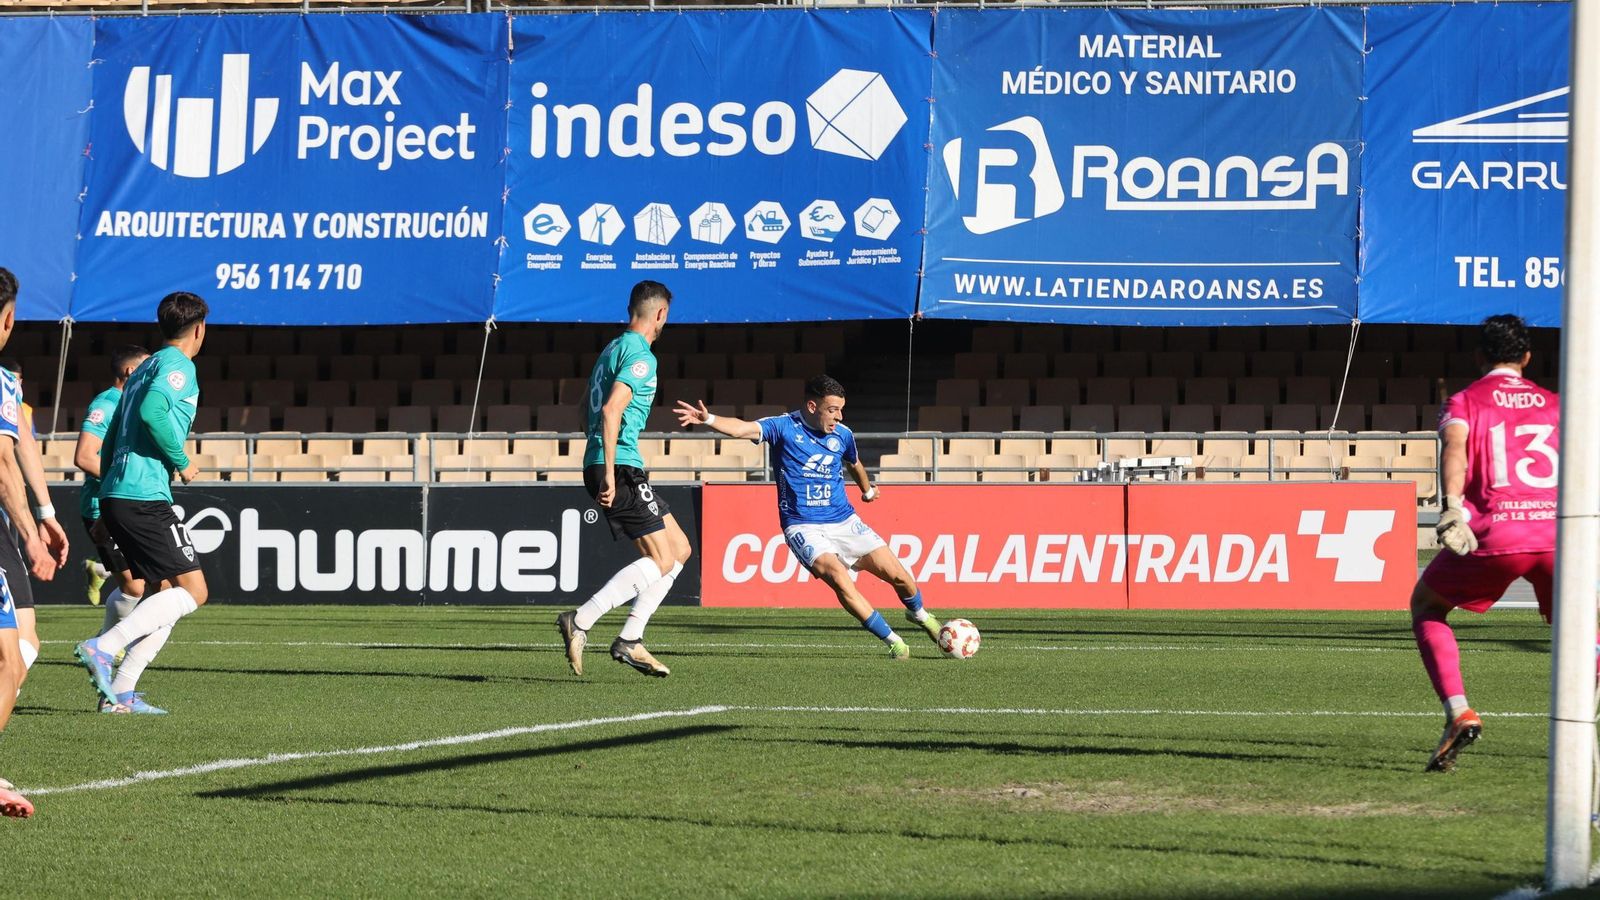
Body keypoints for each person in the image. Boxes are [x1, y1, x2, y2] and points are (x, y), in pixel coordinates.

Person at [675, 375, 943, 658]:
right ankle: (894, 641)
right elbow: (742, 429)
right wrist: (708, 419)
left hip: (844, 520)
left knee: (900, 577)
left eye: (841, 410)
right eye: (833, 410)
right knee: (839, 578)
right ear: (813, 407)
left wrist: (867, 490)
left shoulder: (843, 434)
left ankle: (920, 615)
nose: (839, 417)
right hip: (802, 525)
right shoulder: (783, 427)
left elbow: (854, 463)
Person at [1413, 314, 1560, 772]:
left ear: (1478, 356)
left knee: (1427, 606)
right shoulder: (1556, 403)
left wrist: (1452, 507)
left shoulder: (1465, 401)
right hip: (1556, 532)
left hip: (1497, 531)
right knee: (1579, 627)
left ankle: (1458, 711)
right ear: (1527, 357)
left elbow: (1455, 448)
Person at [73, 293, 209, 715]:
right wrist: (182, 461)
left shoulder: (141, 370)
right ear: (199, 329)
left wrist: (104, 503)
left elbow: (114, 435)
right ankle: (104, 647)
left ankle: (120, 695)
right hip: (144, 495)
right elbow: (153, 412)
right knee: (194, 591)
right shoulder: (177, 365)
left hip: (119, 494)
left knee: (160, 594)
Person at [555, 280, 691, 678]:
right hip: (620, 466)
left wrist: (597, 451)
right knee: (661, 559)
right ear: (661, 314)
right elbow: (611, 409)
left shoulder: (611, 350)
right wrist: (611, 470)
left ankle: (631, 638)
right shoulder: (640, 354)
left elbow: (584, 408)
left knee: (679, 549)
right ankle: (581, 619)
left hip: (610, 461)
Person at [0, 268, 61, 818]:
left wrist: (44, 512)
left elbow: (18, 444)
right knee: (8, 660)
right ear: (9, 319)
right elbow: (2, 464)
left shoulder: (8, 384)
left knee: (23, 644)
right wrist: (32, 538)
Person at [76, 347, 151, 709]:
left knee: (142, 584)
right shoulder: (106, 403)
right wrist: (121, 478)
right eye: (145, 368)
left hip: (125, 503)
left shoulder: (131, 404)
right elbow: (84, 455)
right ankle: (106, 649)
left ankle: (106, 650)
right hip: (103, 506)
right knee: (136, 586)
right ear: (129, 371)